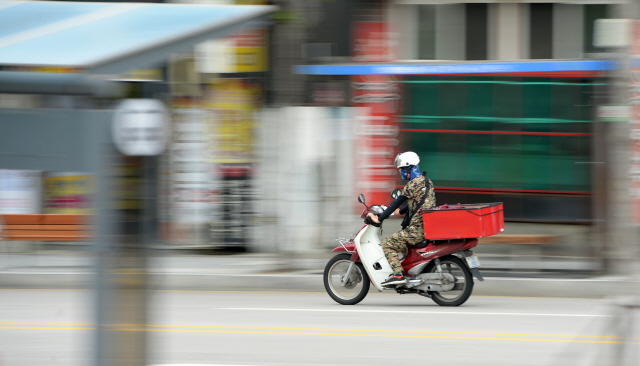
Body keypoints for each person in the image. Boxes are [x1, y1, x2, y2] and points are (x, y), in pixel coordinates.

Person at [366, 151, 436, 287]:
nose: (401, 172)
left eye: (402, 169)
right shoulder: (428, 182)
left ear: (409, 168)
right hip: (428, 228)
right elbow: (413, 205)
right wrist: (396, 212)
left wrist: (379, 218)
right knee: (401, 244)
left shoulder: (412, 184)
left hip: (417, 231)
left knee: (387, 244)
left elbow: (395, 203)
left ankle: (398, 274)